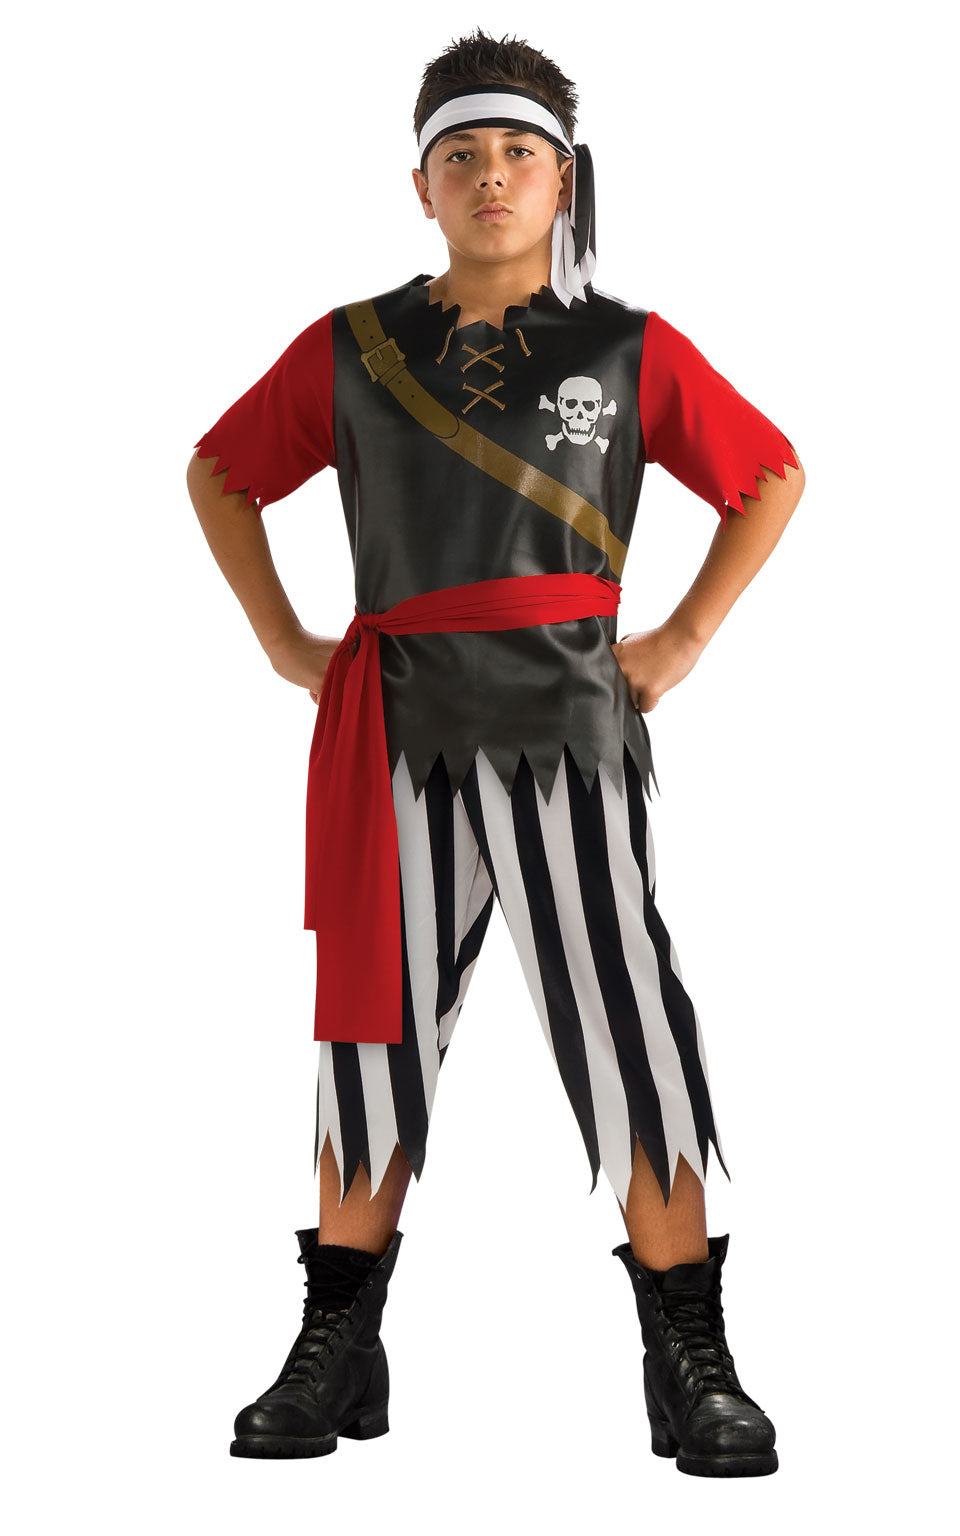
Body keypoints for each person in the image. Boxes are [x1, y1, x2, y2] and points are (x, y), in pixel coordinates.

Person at [186, 28, 804, 1478]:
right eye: (460, 154)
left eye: (519, 151)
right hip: (395, 730)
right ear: (421, 185)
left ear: (563, 177)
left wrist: (683, 639)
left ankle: (692, 1356)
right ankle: (337, 1338)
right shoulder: (352, 348)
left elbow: (770, 472)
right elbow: (220, 471)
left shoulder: (627, 347)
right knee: (373, 1034)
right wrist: (284, 641)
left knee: (625, 1022)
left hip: (568, 730)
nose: (491, 177)